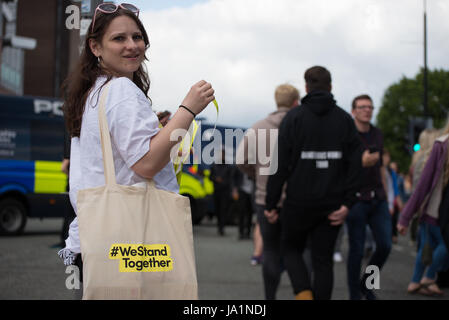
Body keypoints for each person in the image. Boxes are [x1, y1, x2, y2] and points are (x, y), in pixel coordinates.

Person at [57, 3, 214, 277]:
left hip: (94, 234)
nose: (132, 45)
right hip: (130, 239)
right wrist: (188, 109)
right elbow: (146, 163)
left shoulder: (94, 92)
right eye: (119, 38)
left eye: (137, 37)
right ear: (95, 47)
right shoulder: (121, 90)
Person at [265, 67, 363, 300]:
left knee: (290, 249)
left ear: (306, 88)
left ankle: (303, 293)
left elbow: (280, 165)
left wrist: (271, 202)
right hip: (332, 204)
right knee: (323, 261)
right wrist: (348, 203)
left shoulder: (294, 118)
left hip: (298, 202)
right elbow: (356, 165)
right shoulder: (344, 120)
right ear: (331, 86)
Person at [236, 83, 300, 299]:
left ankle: (269, 297)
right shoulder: (301, 125)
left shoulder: (257, 127)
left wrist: (257, 174)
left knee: (270, 250)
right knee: (298, 251)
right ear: (295, 102)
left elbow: (241, 160)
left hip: (265, 197)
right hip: (297, 200)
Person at [345, 94, 392, 300]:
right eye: (362, 107)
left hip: (377, 198)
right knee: (356, 249)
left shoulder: (377, 134)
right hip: (356, 199)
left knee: (384, 245)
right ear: (353, 111)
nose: (367, 110)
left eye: (370, 107)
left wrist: (387, 195)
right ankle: (354, 294)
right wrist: (360, 163)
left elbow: (381, 166)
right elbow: (342, 169)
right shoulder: (347, 136)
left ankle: (367, 284)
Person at [397, 122, 449, 296]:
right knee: (441, 244)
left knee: (427, 245)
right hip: (434, 208)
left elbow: (418, 186)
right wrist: (406, 215)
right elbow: (422, 185)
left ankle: (416, 280)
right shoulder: (440, 147)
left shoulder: (419, 157)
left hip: (427, 208)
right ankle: (428, 277)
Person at [210, 148, 233, 236]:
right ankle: (219, 226)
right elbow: (210, 177)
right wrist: (216, 179)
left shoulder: (228, 166)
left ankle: (221, 228)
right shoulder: (214, 165)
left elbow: (230, 179)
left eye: (223, 154)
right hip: (216, 191)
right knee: (217, 210)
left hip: (225, 191)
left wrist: (223, 181)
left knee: (223, 209)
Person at [230, 166, 254, 240]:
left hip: (252, 191)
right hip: (242, 190)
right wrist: (234, 190)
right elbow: (233, 178)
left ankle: (248, 232)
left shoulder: (254, 166)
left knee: (250, 212)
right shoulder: (239, 166)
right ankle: (241, 232)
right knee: (241, 211)